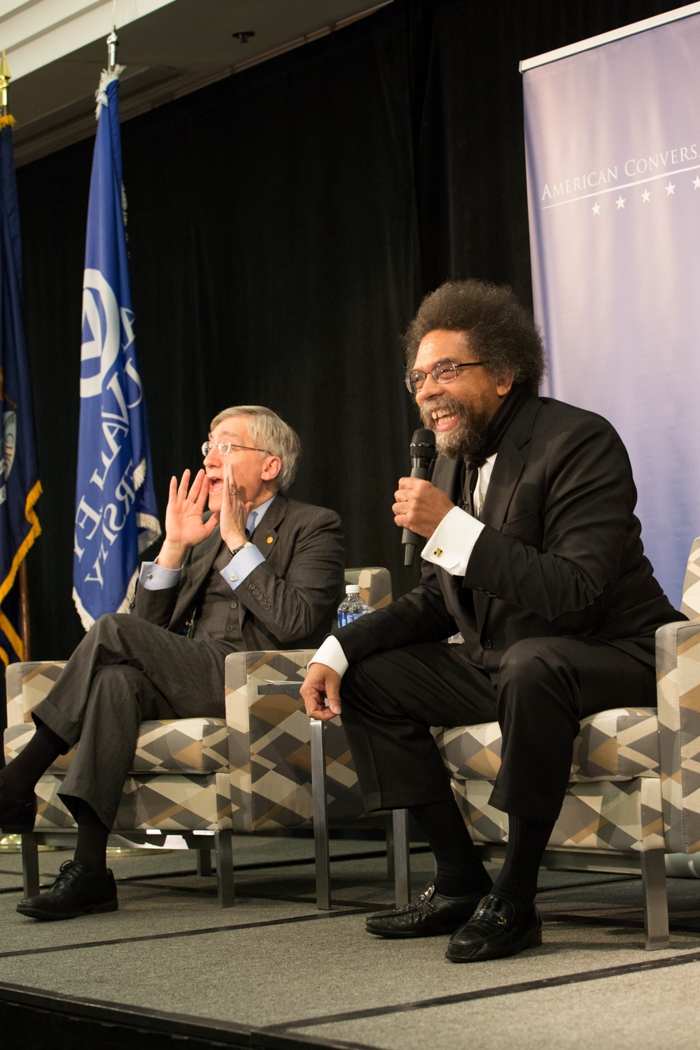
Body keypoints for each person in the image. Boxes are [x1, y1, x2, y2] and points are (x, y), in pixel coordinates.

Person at [301, 280, 682, 964]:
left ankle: (517, 895)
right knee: (373, 679)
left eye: (447, 370)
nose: (427, 389)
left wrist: (451, 529)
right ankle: (456, 879)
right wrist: (337, 649)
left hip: (612, 649)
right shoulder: (449, 462)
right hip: (506, 658)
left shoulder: (579, 441)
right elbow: (432, 601)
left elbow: (577, 590)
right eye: (419, 376)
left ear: (505, 373)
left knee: (533, 662)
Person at [1, 405, 344, 920]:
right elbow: (148, 630)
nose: (209, 456)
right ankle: (91, 870)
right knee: (116, 679)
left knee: (111, 630)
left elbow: (296, 623)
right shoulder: (202, 533)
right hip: (190, 671)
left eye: (226, 445)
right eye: (208, 445)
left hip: (249, 681)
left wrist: (236, 540)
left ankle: (17, 777)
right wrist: (176, 548)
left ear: (269, 465)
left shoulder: (312, 526)